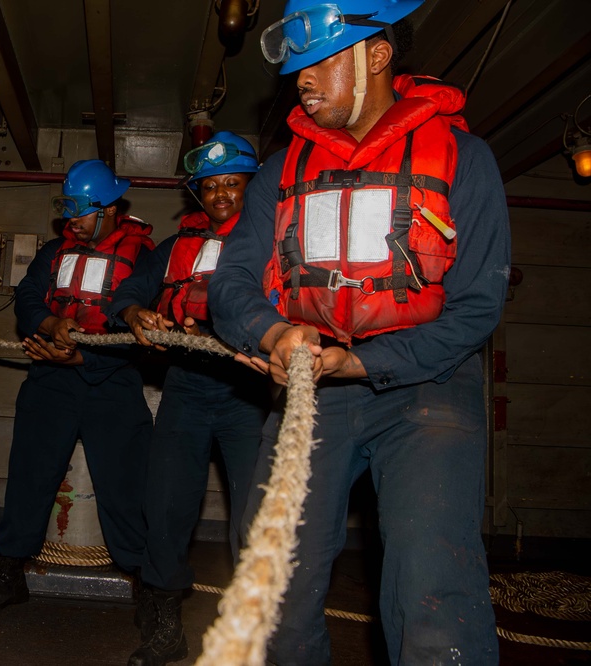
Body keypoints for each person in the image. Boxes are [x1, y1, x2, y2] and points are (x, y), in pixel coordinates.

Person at [208, 1, 510, 663]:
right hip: (314, 383)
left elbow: (477, 307)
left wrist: (365, 364)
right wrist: (275, 333)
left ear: (376, 54)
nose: (302, 82)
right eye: (297, 68)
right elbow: (230, 284)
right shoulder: (280, 171)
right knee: (274, 597)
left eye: (318, 62)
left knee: (434, 599)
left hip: (428, 384)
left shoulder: (464, 159)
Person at [109, 131, 271, 666]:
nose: (222, 194)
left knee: (255, 516)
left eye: (233, 183)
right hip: (186, 388)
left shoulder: (273, 244)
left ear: (252, 186)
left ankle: (257, 634)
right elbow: (128, 293)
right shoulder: (176, 248)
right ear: (197, 194)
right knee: (166, 506)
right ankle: (164, 627)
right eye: (211, 186)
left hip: (249, 394)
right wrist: (137, 315)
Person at [0, 159, 155, 614]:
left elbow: (143, 331)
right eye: (67, 207)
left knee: (125, 485)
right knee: (30, 477)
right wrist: (51, 323)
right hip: (50, 380)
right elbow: (29, 296)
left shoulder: (146, 259)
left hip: (113, 381)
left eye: (80, 209)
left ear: (108, 209)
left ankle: (147, 586)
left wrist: (84, 356)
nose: (71, 218)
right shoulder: (54, 252)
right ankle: (11, 571)